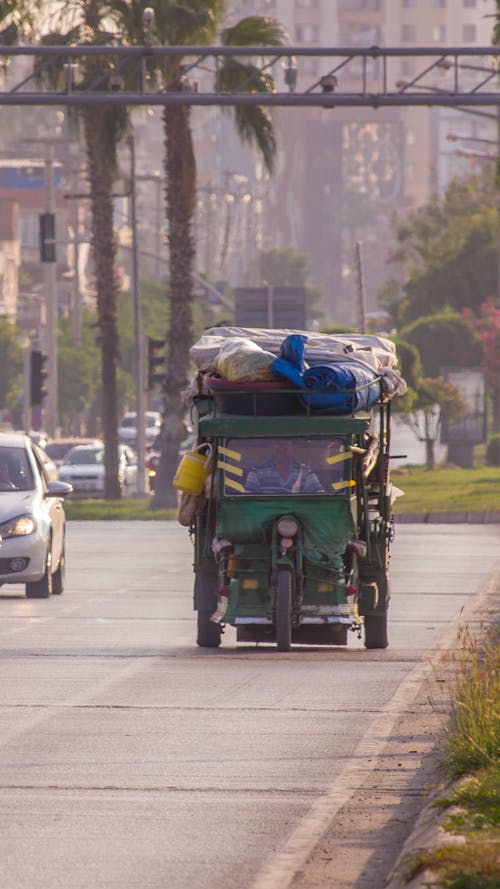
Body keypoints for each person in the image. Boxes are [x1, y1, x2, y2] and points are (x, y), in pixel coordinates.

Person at [245, 440, 324, 494]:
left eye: (286, 444)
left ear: (294, 447)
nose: (281, 448)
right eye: (276, 444)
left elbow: (319, 501)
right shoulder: (256, 473)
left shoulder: (306, 473)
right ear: (270, 447)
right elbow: (248, 504)